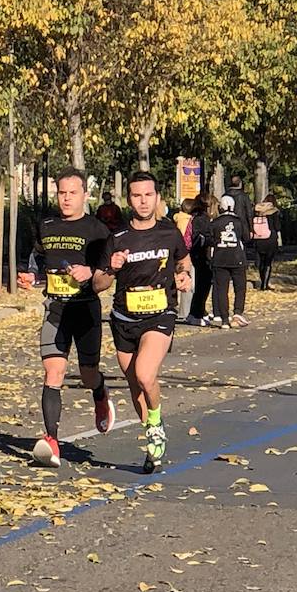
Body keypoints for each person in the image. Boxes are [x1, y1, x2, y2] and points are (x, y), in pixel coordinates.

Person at [92, 172, 192, 474]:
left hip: (160, 315)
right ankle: (151, 434)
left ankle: (157, 421)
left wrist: (183, 275)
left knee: (145, 374)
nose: (143, 201)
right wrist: (112, 267)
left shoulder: (169, 232)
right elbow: (98, 284)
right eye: (137, 196)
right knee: (134, 385)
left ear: (157, 197)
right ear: (129, 200)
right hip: (124, 318)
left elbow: (183, 261)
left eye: (148, 195)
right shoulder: (118, 238)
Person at [16, 166, 115, 467]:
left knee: (87, 375)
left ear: (85, 195)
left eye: (73, 193)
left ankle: (99, 393)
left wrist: (91, 273)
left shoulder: (98, 230)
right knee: (53, 374)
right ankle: (52, 442)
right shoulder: (46, 225)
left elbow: (107, 275)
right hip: (55, 309)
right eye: (62, 192)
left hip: (85, 309)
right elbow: (36, 257)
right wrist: (31, 276)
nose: (66, 198)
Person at [209, 195, 250, 328]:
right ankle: (238, 312)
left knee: (221, 289)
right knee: (240, 287)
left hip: (220, 258)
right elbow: (246, 237)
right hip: (237, 257)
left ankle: (224, 319)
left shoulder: (215, 223)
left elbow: (211, 240)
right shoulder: (239, 221)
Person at [184, 192, 215, 325]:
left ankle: (197, 311)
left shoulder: (195, 217)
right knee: (203, 284)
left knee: (202, 284)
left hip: (196, 253)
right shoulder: (202, 219)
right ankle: (197, 313)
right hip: (201, 254)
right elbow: (203, 236)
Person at [251, 194, 281, 290]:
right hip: (270, 239)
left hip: (258, 238)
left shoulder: (257, 211)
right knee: (268, 263)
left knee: (261, 262)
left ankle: (262, 279)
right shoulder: (273, 212)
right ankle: (265, 284)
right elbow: (277, 226)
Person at [227, 175, 255, 248]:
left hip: (228, 223)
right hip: (242, 224)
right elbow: (249, 213)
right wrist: (251, 228)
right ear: (240, 183)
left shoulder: (225, 195)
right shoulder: (244, 196)